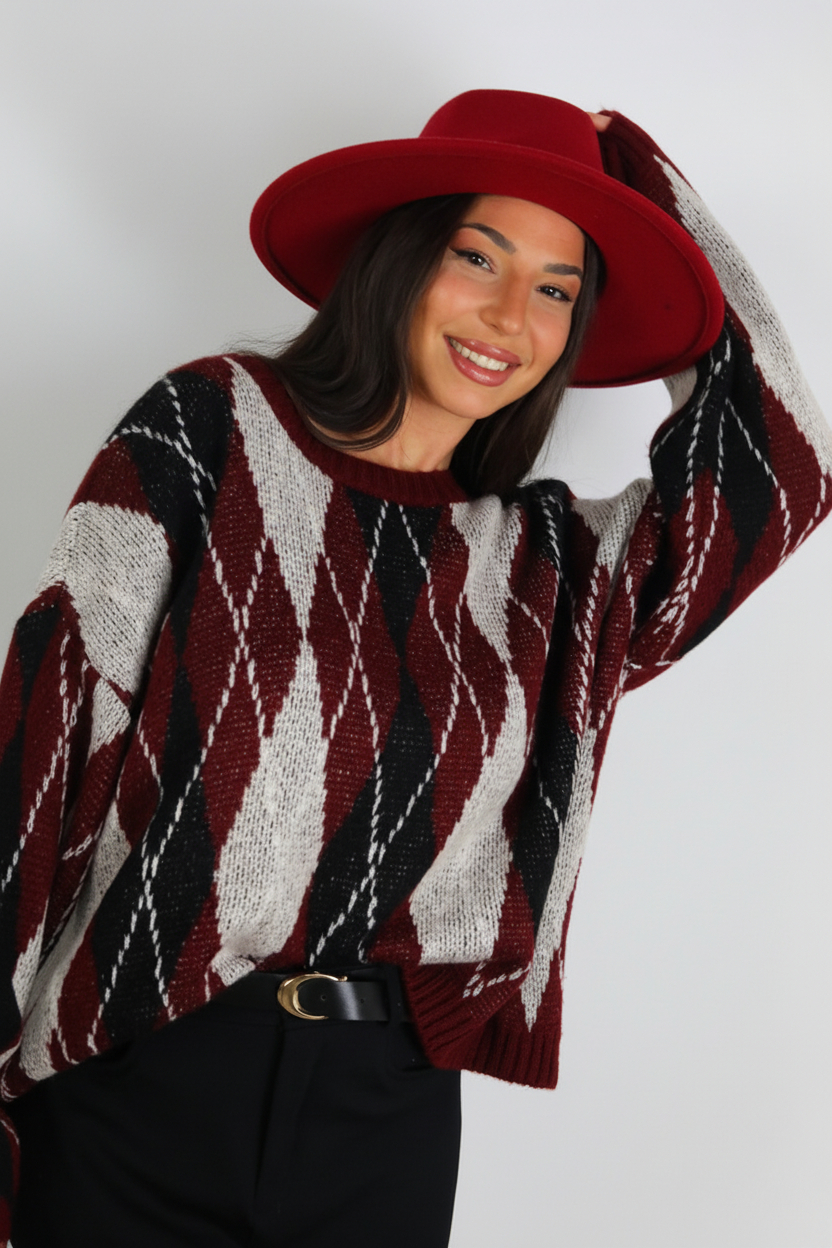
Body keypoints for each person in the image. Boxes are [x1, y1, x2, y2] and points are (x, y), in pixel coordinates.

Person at [0, 89, 828, 1247]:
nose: (509, 315)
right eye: (475, 256)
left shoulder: (553, 572)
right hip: (138, 1075)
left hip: (382, 1111)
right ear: (398, 257)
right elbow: (49, 729)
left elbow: (782, 469)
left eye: (557, 289)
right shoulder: (209, 429)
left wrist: (642, 189)